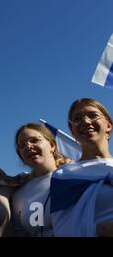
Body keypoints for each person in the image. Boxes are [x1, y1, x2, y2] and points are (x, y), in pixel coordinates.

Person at [49, 98, 113, 236]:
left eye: (93, 115)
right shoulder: (64, 175)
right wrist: (103, 229)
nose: (85, 121)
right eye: (77, 119)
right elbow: (64, 229)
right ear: (73, 131)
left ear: (108, 125)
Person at [11, 123, 69, 237]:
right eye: (22, 145)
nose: (28, 146)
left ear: (52, 145)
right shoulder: (18, 193)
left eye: (34, 140)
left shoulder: (75, 175)